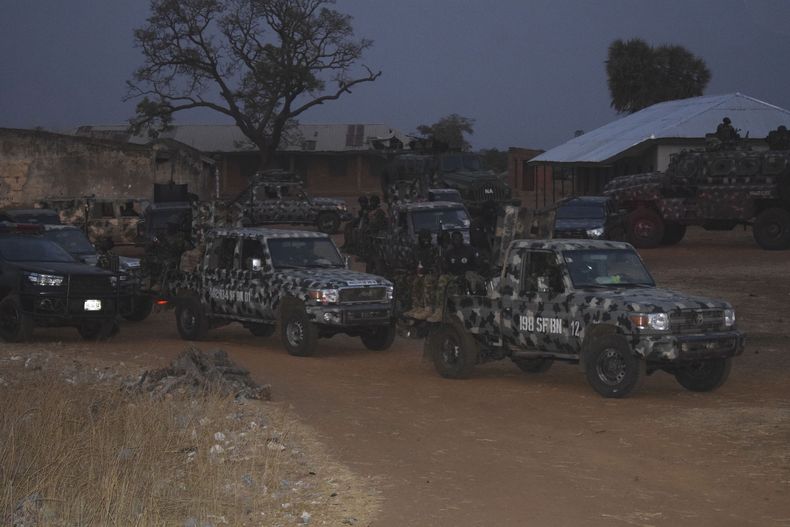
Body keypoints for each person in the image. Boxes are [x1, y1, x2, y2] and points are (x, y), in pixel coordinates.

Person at [404, 229, 440, 319]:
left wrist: (427, 270)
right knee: (413, 281)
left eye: (428, 238)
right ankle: (417, 307)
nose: (426, 241)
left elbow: (437, 264)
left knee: (427, 280)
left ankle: (428, 308)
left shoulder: (434, 249)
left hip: (431, 273)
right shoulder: (416, 249)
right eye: (424, 238)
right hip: (419, 273)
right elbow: (411, 262)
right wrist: (414, 270)